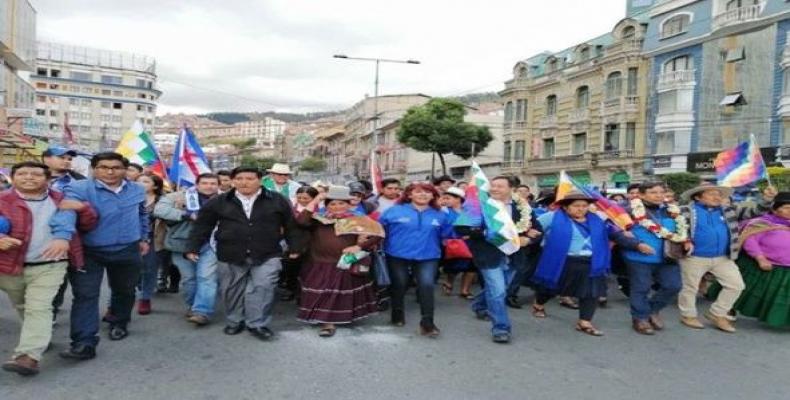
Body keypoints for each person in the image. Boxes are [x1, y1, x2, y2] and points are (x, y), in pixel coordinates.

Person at [0, 162, 96, 376]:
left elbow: (88, 224)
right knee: (23, 306)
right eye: (22, 174)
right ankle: (38, 336)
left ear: (48, 179)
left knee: (39, 307)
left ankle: (28, 356)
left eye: (35, 174)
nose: (29, 177)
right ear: (12, 178)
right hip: (8, 266)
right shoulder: (2, 200)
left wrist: (84, 208)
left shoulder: (61, 200)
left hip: (50, 265)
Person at [187, 166, 300, 340]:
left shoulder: (277, 200)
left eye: (249, 178)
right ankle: (235, 321)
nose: (244, 182)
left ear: (260, 180)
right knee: (232, 289)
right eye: (239, 179)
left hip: (267, 252)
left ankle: (257, 323)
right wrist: (193, 247)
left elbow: (291, 225)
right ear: (233, 181)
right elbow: (202, 225)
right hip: (230, 252)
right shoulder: (220, 201)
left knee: (263, 287)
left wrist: (295, 247)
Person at [59, 152, 149, 361]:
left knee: (124, 291)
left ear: (125, 170)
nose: (110, 172)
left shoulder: (137, 189)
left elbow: (142, 214)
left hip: (128, 249)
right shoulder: (78, 188)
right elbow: (66, 214)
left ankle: (119, 322)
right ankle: (84, 342)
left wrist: (144, 238)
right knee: (85, 296)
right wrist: (62, 238)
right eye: (103, 167)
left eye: (116, 167)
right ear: (94, 169)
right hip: (90, 251)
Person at [532, 190, 651, 337]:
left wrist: (637, 245)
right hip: (562, 261)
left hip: (592, 262)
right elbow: (534, 229)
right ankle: (539, 304)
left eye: (584, 205)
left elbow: (616, 235)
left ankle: (584, 322)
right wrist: (528, 237)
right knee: (551, 288)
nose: (581, 209)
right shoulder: (552, 217)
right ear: (565, 207)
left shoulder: (598, 220)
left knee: (591, 293)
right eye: (576, 206)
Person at [456, 176, 538, 343]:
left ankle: (479, 305)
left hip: (514, 255)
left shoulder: (522, 207)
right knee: (498, 291)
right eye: (493, 186)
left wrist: (528, 240)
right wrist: (487, 234)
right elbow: (461, 228)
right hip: (488, 255)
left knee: (499, 289)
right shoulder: (480, 205)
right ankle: (501, 328)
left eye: (500, 186)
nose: (494, 189)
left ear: (511, 189)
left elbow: (537, 229)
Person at [295, 186, 383, 337]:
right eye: (332, 204)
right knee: (323, 292)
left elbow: (378, 234)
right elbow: (301, 221)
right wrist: (316, 199)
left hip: (344, 262)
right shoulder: (318, 219)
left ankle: (332, 321)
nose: (337, 207)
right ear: (327, 205)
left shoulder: (359, 219)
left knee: (339, 293)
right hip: (319, 261)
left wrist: (359, 246)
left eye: (341, 203)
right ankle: (327, 322)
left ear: (348, 204)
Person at [676, 183, 761, 333]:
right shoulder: (684, 211)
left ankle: (717, 313)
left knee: (736, 285)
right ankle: (687, 315)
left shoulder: (728, 210)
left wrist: (767, 198)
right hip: (694, 257)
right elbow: (672, 228)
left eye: (719, 194)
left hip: (723, 257)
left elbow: (755, 212)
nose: (717, 197)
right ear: (697, 197)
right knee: (690, 288)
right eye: (711, 194)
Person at [707, 192, 790, 328]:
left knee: (778, 297)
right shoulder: (761, 223)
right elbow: (750, 240)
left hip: (785, 269)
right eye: (787, 207)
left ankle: (778, 318)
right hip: (762, 265)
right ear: (775, 209)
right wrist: (760, 258)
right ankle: (727, 309)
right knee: (745, 291)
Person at [379, 183, 452, 337]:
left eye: (427, 192)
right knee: (400, 284)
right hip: (397, 254)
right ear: (409, 195)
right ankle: (397, 312)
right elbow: (379, 230)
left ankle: (427, 323)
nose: (423, 195)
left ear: (433, 196)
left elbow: (448, 235)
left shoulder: (440, 215)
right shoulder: (393, 211)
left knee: (426, 285)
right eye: (418, 192)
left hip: (428, 256)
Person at [154, 173, 220, 325]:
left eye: (212, 183)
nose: (209, 186)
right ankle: (193, 305)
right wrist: (186, 214)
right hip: (181, 243)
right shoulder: (178, 196)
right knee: (189, 279)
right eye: (205, 183)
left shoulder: (224, 199)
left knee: (207, 278)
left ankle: (202, 311)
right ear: (197, 184)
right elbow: (159, 210)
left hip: (211, 244)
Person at [623, 182, 684, 335]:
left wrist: (687, 242)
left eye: (661, 192)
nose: (659, 195)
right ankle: (640, 318)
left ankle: (652, 310)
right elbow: (616, 232)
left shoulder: (672, 210)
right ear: (642, 195)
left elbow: (682, 229)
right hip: (639, 257)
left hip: (667, 256)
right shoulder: (629, 211)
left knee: (673, 286)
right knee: (641, 288)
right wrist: (636, 244)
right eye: (653, 192)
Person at [42, 145, 87, 322]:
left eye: (69, 158)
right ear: (46, 159)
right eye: (62, 157)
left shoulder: (80, 181)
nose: (67, 161)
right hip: (38, 235)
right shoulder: (31, 176)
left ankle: (51, 311)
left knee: (64, 276)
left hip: (73, 237)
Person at [279, 185, 319, 301]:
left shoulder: (320, 211)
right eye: (299, 197)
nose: (302, 200)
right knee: (293, 270)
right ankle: (292, 290)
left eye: (306, 198)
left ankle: (305, 294)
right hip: (293, 244)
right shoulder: (290, 209)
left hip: (312, 244)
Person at [135, 174, 165, 316]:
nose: (141, 184)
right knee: (133, 269)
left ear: (155, 186)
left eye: (146, 181)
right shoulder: (130, 198)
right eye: (138, 181)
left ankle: (145, 298)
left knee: (149, 269)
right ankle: (139, 286)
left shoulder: (162, 201)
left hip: (153, 238)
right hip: (131, 238)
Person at [439, 187, 476, 299]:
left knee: (471, 267)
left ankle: (465, 290)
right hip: (451, 243)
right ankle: (449, 282)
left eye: (448, 198)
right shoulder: (443, 211)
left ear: (458, 199)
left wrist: (471, 234)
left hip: (469, 242)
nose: (445, 200)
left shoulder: (470, 211)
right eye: (444, 198)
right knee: (452, 266)